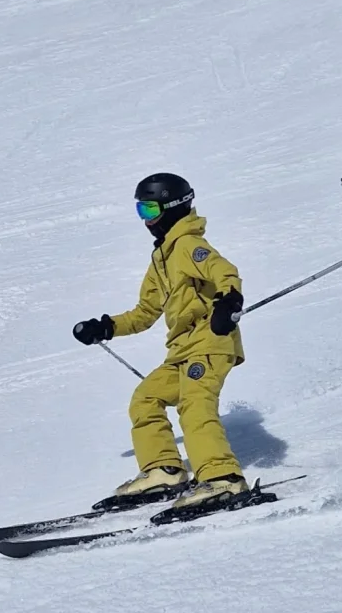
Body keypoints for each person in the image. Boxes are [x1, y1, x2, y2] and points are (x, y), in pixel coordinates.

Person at [72, 173, 249, 513]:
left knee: (195, 405)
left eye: (150, 209)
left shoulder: (187, 244)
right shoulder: (161, 258)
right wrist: (105, 327)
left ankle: (223, 477)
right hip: (181, 352)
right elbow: (144, 312)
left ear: (171, 207)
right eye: (140, 210)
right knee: (146, 398)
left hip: (211, 343)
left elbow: (224, 270)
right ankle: (164, 471)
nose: (146, 219)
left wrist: (229, 302)